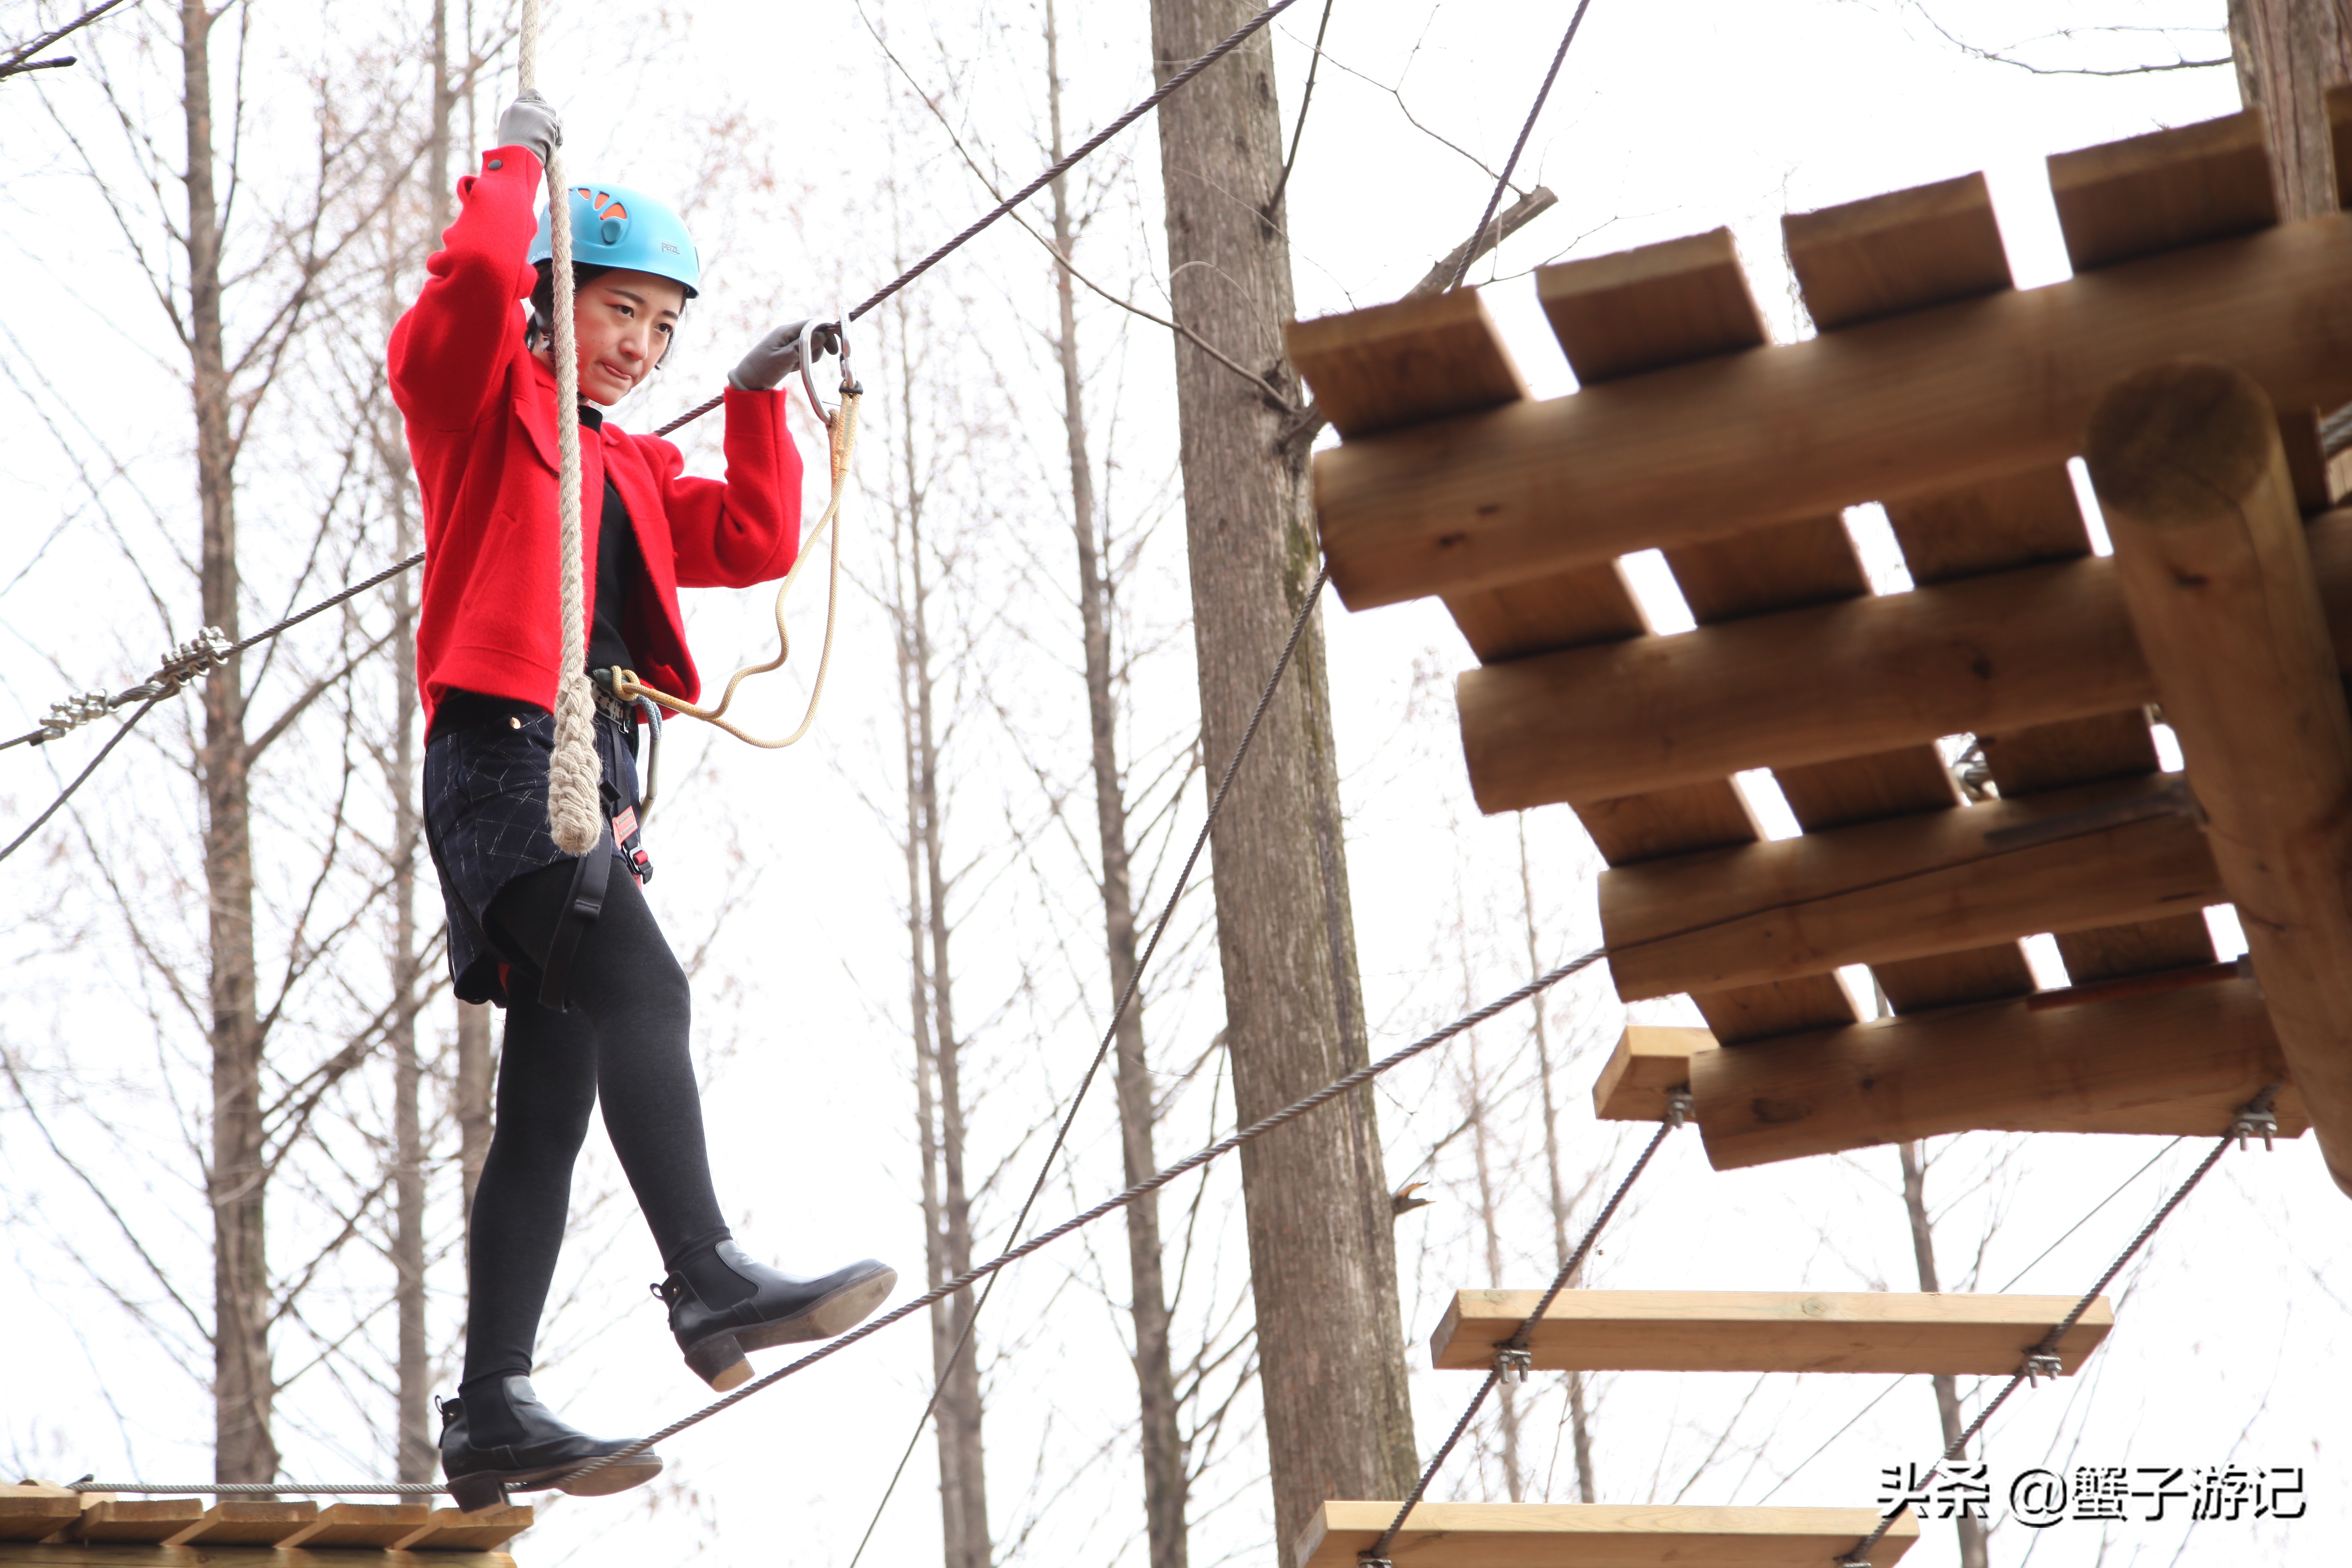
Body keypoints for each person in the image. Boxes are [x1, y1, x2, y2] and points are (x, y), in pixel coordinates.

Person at [389, 89, 892, 1507]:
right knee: (645, 997)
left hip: (591, 786)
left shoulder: (627, 462)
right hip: (501, 758)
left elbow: (753, 534)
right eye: (623, 313)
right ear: (556, 301)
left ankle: (491, 1406)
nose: (642, 345)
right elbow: (474, 290)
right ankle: (708, 1278)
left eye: (663, 328)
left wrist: (746, 397)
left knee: (550, 1096)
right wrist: (513, 169)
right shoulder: (483, 413)